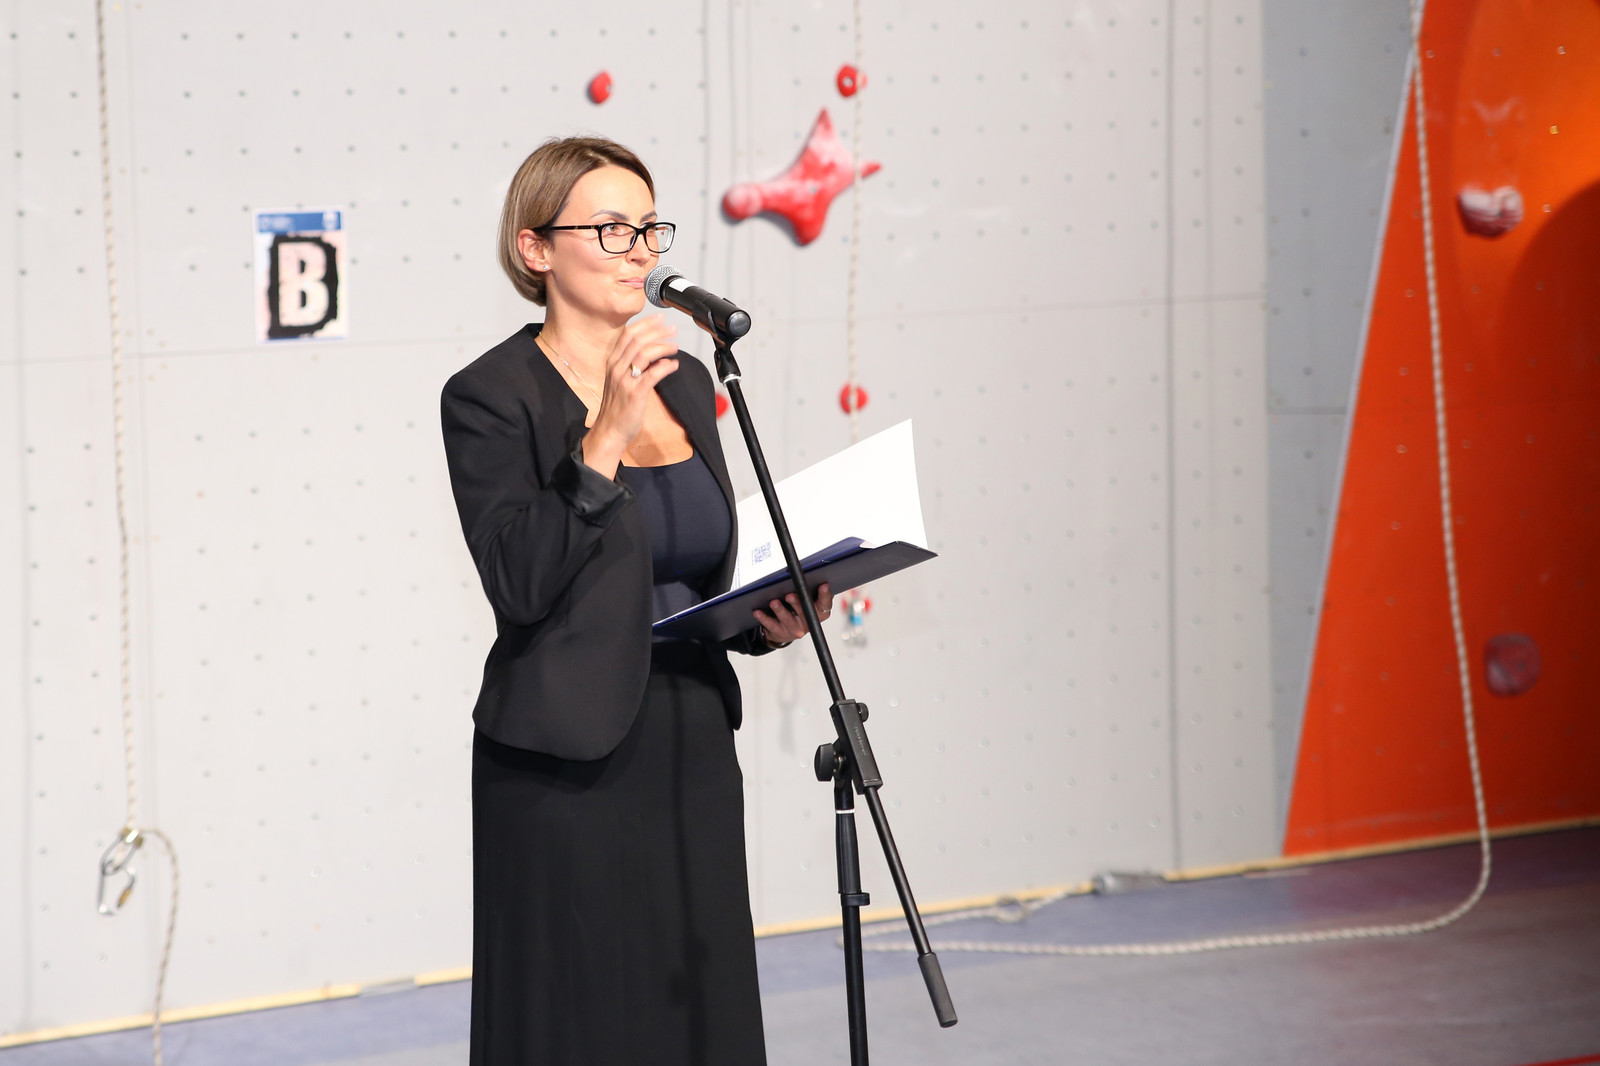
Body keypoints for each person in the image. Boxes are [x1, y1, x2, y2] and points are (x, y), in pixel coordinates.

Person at [440, 136, 834, 1066]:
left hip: (689, 735)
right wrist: (605, 437)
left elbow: (688, 569)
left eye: (650, 228)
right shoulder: (490, 396)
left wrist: (766, 623)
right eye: (611, 229)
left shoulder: (687, 379)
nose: (640, 251)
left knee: (696, 1003)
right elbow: (520, 581)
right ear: (536, 249)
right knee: (582, 1018)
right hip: (563, 759)